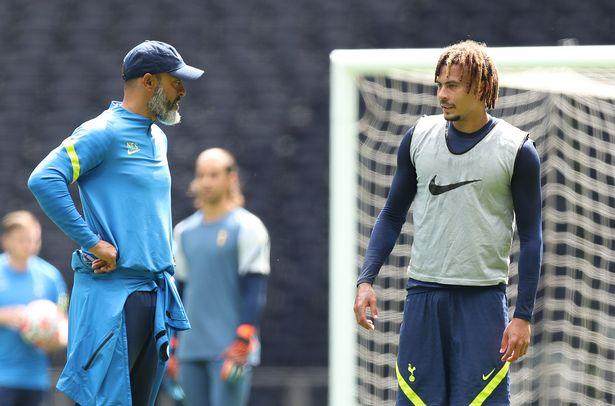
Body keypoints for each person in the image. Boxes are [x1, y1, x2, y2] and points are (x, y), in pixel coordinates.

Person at [353, 40, 543, 405]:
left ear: (481, 87)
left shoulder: (517, 150)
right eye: (439, 84)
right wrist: (365, 280)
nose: (442, 94)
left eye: (453, 85)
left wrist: (522, 316)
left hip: (482, 303)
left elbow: (531, 238)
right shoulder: (418, 137)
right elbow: (392, 214)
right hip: (424, 298)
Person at [27, 40, 204, 405]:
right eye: (176, 81)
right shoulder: (103, 131)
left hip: (153, 294)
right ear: (149, 82)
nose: (183, 89)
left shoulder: (158, 137)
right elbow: (44, 179)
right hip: (113, 298)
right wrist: (92, 242)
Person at [170, 148, 270, 406]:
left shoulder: (247, 227)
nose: (206, 182)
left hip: (230, 350)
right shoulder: (183, 232)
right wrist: (173, 341)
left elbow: (254, 288)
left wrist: (243, 337)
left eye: (213, 175)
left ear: (231, 178)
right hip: (189, 349)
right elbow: (179, 290)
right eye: (201, 175)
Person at [0, 210, 68, 406]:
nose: (29, 245)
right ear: (6, 240)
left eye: (33, 239)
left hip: (35, 379)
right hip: (2, 377)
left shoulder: (50, 276)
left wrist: (56, 338)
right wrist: (6, 317)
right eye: (22, 239)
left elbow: (62, 320)